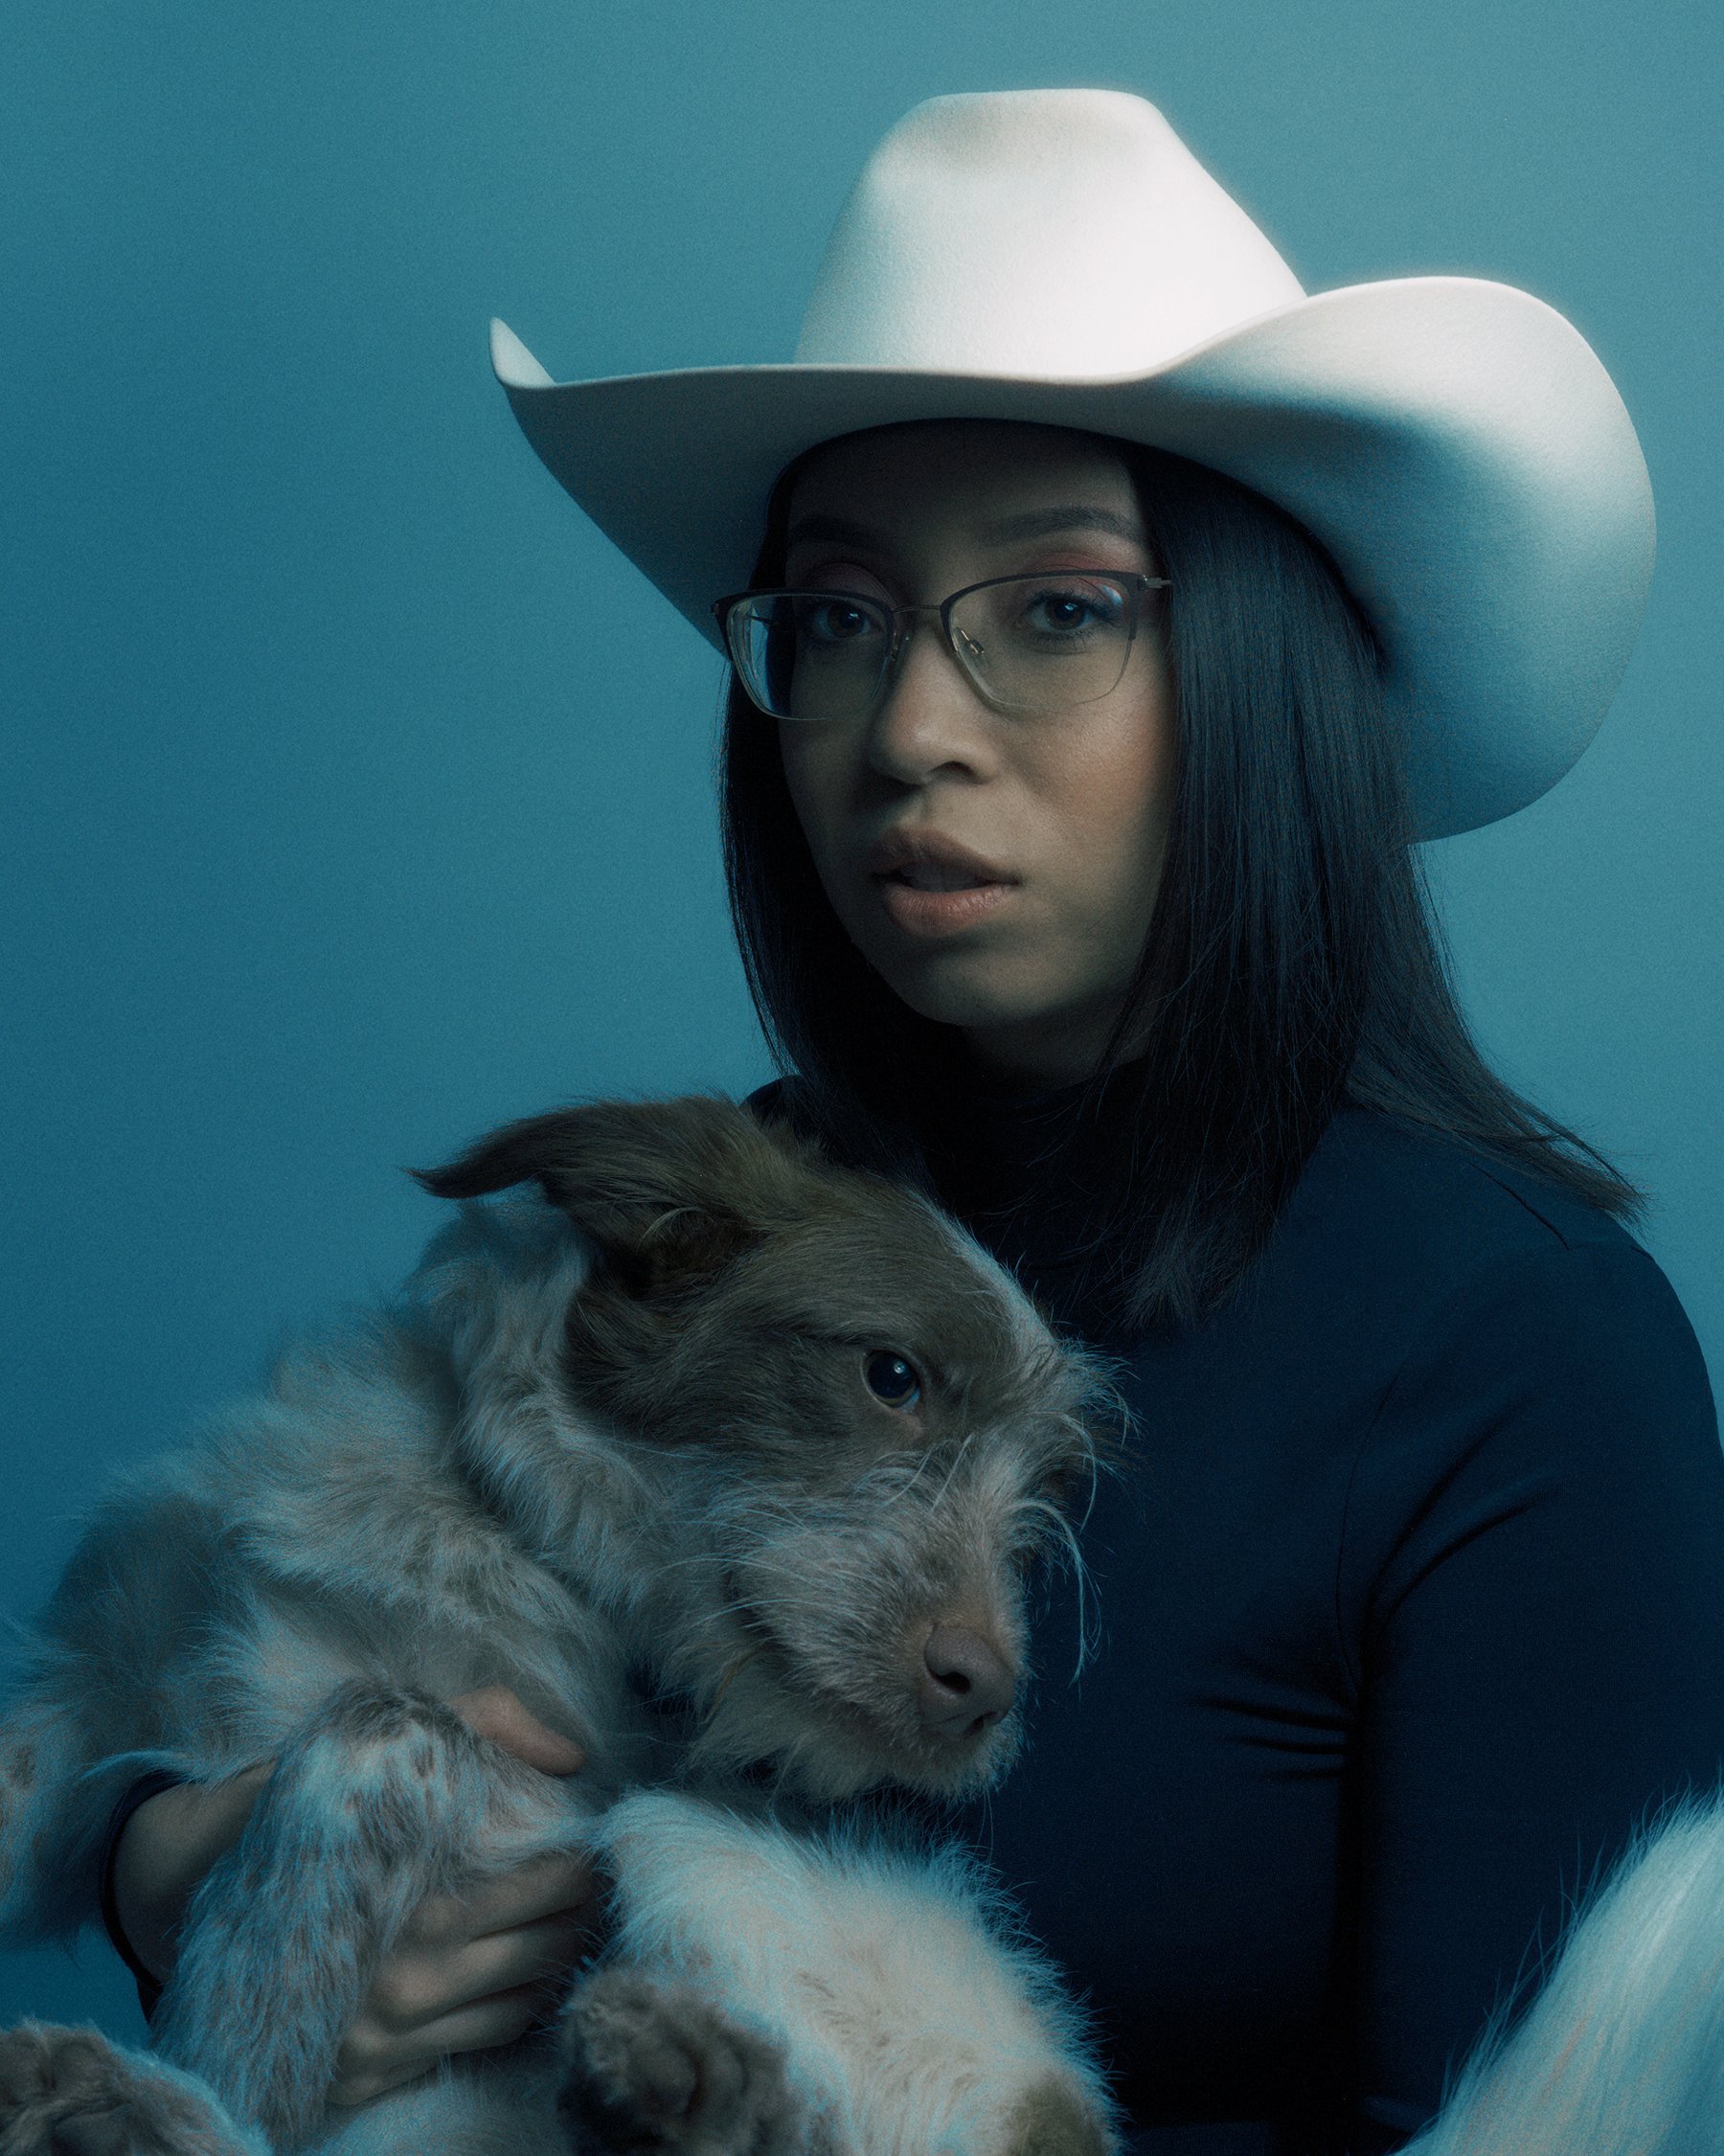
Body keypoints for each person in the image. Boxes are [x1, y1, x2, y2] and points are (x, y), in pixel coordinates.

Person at [101, 90, 1724, 2156]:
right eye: (840, 619)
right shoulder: (693, 1231)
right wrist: (184, 1872)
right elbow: (284, 1595)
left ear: (1263, 670)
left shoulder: (1526, 1355)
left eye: (1055, 607)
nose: (910, 729)